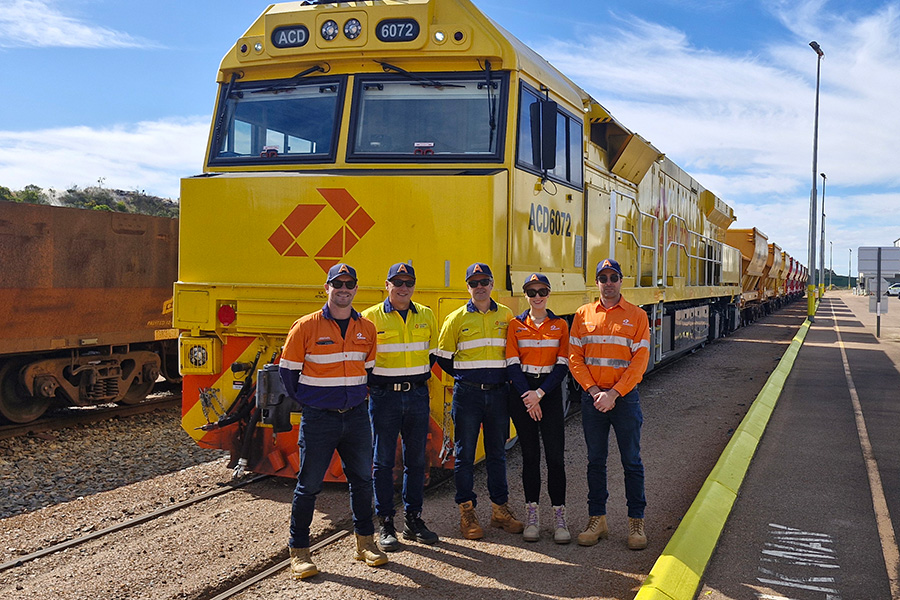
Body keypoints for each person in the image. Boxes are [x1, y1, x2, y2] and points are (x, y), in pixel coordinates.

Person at [279, 263, 388, 580]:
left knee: (362, 481)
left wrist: (353, 398)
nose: (343, 289)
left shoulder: (366, 328)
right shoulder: (305, 327)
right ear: (326, 287)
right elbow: (288, 373)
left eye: (349, 284)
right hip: (319, 419)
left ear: (356, 289)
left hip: (355, 417)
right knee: (309, 486)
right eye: (337, 284)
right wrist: (310, 402)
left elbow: (367, 368)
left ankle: (365, 544)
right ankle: (298, 551)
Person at [435, 262, 524, 540]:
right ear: (468, 287)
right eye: (474, 283)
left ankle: (500, 511)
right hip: (469, 395)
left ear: (492, 283)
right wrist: (467, 377)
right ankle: (467, 511)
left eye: (484, 281)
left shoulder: (507, 316)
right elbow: (441, 358)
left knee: (497, 453)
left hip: (498, 393)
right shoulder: (456, 319)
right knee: (465, 454)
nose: (480, 287)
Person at [569, 258, 650, 551]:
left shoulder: (637, 315)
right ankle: (597, 520)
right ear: (597, 282)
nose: (608, 282)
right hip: (593, 399)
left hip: (624, 399)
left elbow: (640, 362)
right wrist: (593, 391)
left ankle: (636, 522)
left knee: (632, 461)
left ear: (621, 280)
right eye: (603, 277)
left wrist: (614, 394)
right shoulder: (582, 314)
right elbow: (575, 357)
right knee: (595, 461)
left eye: (613, 276)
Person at [361, 263, 440, 552]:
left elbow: (432, 353)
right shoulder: (370, 317)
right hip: (384, 398)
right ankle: (385, 523)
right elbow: (363, 359)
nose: (403, 287)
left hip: (418, 396)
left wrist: (413, 379)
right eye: (398, 282)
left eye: (408, 282)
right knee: (382, 462)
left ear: (414, 286)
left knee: (416, 461)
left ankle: (413, 519)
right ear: (387, 284)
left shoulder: (427, 315)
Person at [505, 273, 571, 543]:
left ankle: (559, 517)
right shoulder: (515, 325)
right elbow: (512, 364)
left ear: (549, 293)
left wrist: (540, 394)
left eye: (542, 291)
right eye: (532, 292)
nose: (537, 296)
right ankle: (532, 514)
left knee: (555, 457)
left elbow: (563, 365)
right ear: (526, 296)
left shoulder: (561, 326)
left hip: (549, 394)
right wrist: (528, 396)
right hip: (523, 397)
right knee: (530, 456)